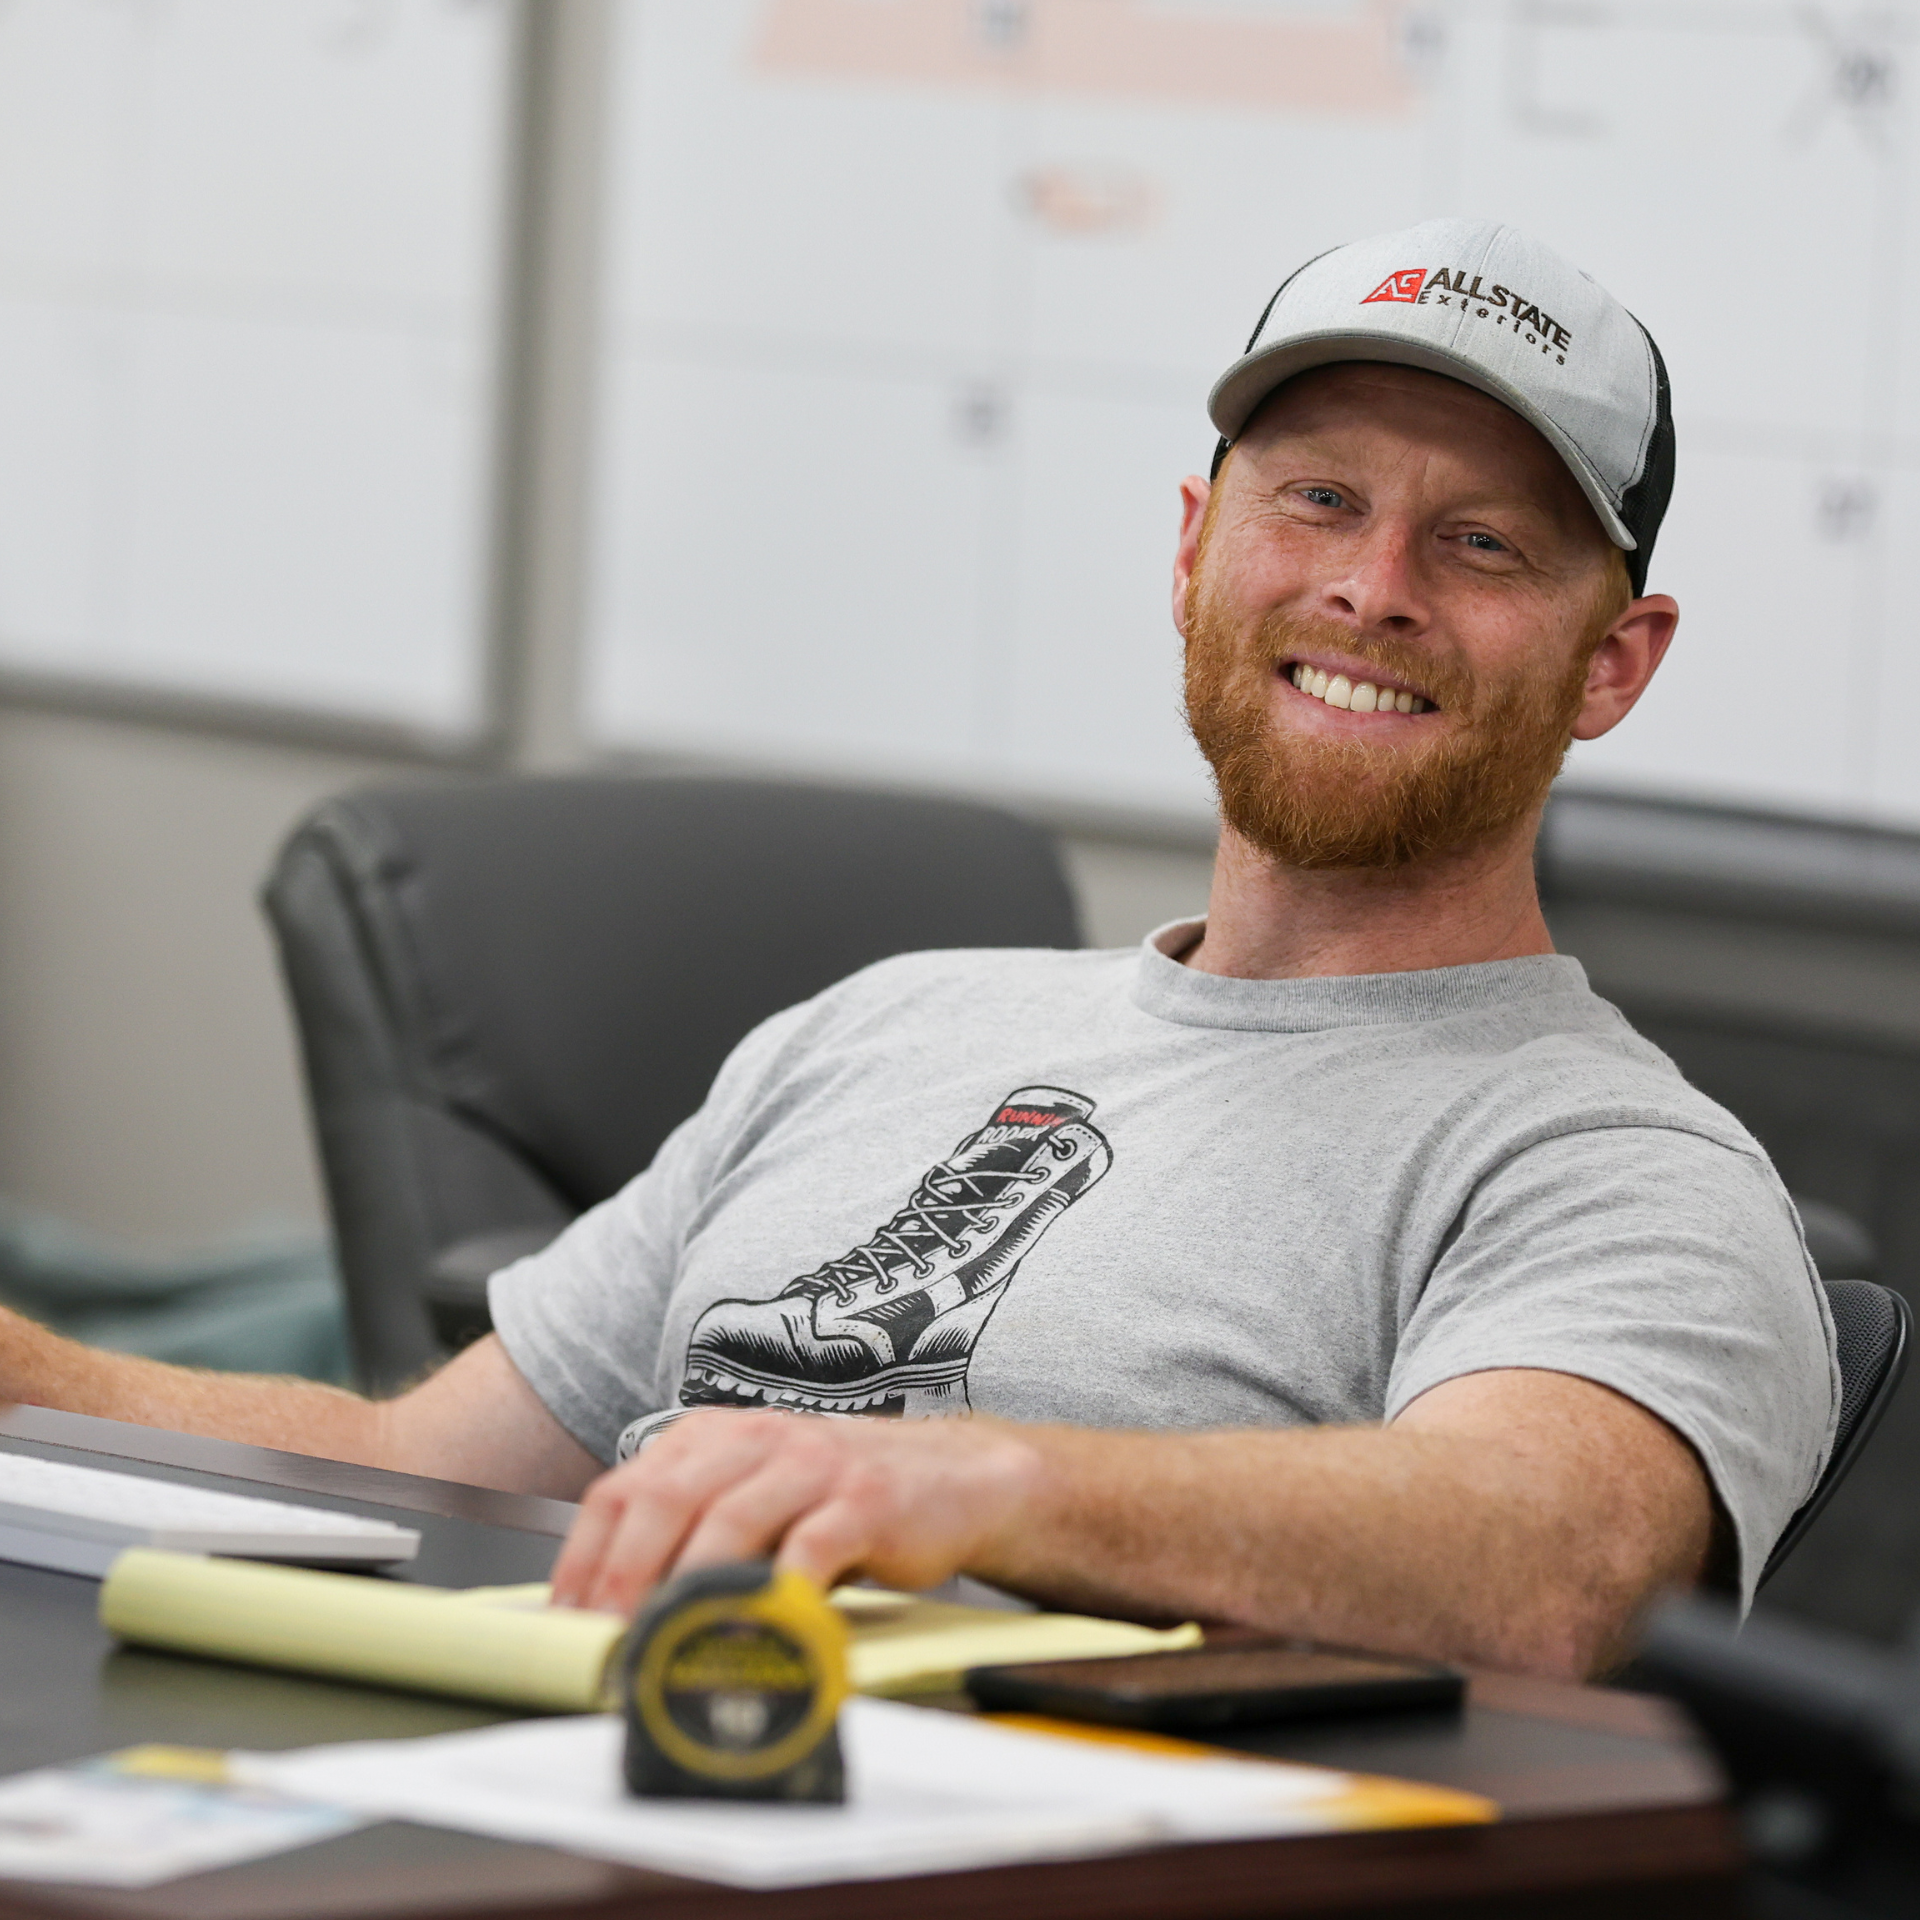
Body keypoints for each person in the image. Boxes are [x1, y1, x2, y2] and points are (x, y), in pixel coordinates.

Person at [0, 220, 1835, 1681]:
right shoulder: (888, 1027)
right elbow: (406, 1477)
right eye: (1318, 500)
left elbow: (1541, 1567)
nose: (1373, 588)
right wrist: (33, 1379)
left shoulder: (1622, 1172)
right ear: (1197, 552)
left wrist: (978, 1484)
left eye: (1485, 543)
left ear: (1616, 663)